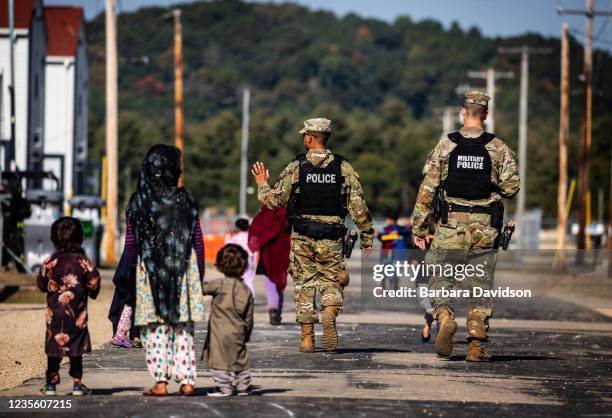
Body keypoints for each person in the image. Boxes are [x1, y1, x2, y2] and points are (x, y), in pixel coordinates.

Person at [412, 91, 520, 361]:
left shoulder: (445, 146)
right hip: (485, 228)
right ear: (485, 114)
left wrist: (420, 228)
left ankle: (446, 315)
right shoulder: (499, 148)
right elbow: (511, 188)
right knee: (480, 287)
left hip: (449, 226)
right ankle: (476, 346)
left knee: (439, 280)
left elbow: (427, 189)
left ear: (463, 112)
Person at [252, 117, 374, 353]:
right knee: (332, 281)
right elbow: (358, 207)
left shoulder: (296, 167)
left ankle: (307, 338)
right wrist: (367, 236)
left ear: (309, 137)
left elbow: (274, 201)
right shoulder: (343, 168)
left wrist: (262, 183)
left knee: (304, 285)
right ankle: (329, 312)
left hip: (303, 236)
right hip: (332, 236)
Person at [127, 144, 205, 396]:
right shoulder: (186, 200)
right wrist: (198, 275)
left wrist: (133, 270)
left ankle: (160, 382)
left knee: (154, 328)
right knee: (183, 327)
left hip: (149, 271)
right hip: (184, 270)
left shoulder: (139, 201)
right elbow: (197, 241)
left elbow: (131, 243)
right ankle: (187, 381)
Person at [37, 217, 101, 396]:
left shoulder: (50, 261)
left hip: (55, 316)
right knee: (76, 349)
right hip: (76, 315)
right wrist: (91, 293)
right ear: (80, 239)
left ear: (53, 239)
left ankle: (51, 384)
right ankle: (77, 384)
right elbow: (94, 282)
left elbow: (41, 283)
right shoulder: (83, 261)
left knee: (54, 348)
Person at [202, 244, 254, 397]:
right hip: (238, 331)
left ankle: (224, 387)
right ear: (244, 267)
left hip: (218, 333)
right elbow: (249, 317)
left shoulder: (218, 284)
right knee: (240, 359)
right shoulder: (246, 290)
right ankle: (244, 386)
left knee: (218, 361)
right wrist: (247, 334)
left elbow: (201, 288)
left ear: (219, 266)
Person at [248, 206, 291, 325]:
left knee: (270, 282)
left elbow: (256, 230)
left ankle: (273, 311)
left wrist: (257, 242)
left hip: (268, 253)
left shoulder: (265, 214)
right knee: (279, 281)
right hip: (283, 252)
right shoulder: (285, 212)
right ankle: (277, 313)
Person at [108, 250, 142, 348]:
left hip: (131, 258)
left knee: (128, 299)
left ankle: (122, 334)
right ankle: (130, 335)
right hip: (135, 259)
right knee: (131, 299)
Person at [377, 213, 411, 290]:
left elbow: (407, 232)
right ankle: (384, 287)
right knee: (384, 271)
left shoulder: (401, 230)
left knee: (394, 271)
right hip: (386, 253)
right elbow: (380, 236)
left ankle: (394, 284)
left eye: (389, 220)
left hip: (394, 254)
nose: (387, 221)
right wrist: (389, 236)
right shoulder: (387, 229)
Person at [224, 218, 256, 294]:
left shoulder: (235, 237)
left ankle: (243, 297)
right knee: (249, 279)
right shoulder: (252, 237)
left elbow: (227, 245)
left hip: (240, 260)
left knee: (241, 279)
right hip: (251, 260)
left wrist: (228, 235)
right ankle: (251, 296)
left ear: (238, 227)